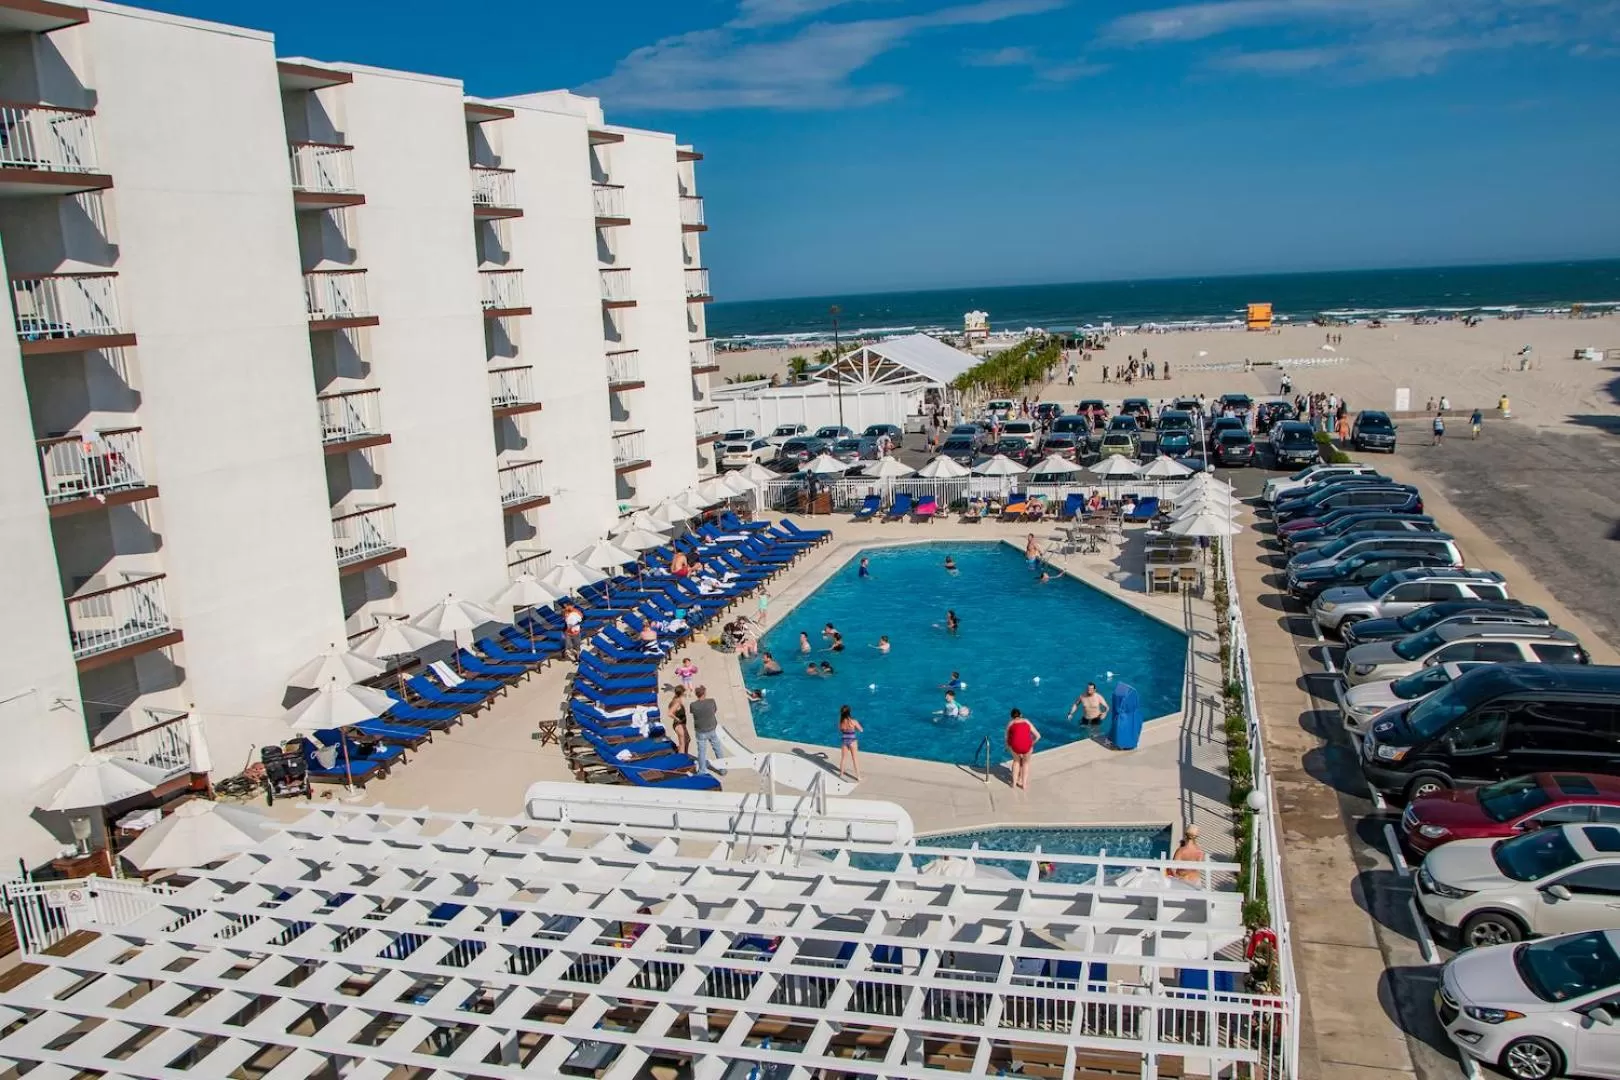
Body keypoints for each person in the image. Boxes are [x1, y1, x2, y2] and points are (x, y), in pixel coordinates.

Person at [688, 686, 724, 775]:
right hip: (712, 729)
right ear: (704, 693)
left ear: (696, 694)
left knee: (701, 752)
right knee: (717, 748)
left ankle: (702, 770)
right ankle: (723, 769)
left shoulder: (693, 705)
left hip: (700, 731)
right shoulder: (711, 701)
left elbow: (692, 712)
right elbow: (714, 710)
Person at [1005, 709, 1040, 790]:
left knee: (1016, 761)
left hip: (1015, 746)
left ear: (1011, 717)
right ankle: (1024, 785)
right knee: (1025, 763)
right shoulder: (1026, 721)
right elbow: (1038, 736)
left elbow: (1006, 738)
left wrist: (1008, 747)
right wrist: (1031, 744)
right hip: (1027, 746)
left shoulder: (1010, 723)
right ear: (1021, 715)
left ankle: (1014, 784)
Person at [837, 704, 863, 781]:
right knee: (855, 759)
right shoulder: (853, 721)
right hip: (852, 741)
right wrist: (855, 729)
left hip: (844, 741)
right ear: (849, 712)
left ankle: (841, 774)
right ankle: (858, 777)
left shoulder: (841, 722)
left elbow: (841, 730)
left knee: (843, 758)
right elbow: (861, 730)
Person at [667, 686, 690, 756]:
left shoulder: (676, 700)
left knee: (686, 740)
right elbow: (670, 713)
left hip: (680, 725)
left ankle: (683, 755)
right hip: (679, 725)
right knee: (683, 743)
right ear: (681, 693)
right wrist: (678, 719)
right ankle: (682, 757)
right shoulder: (677, 702)